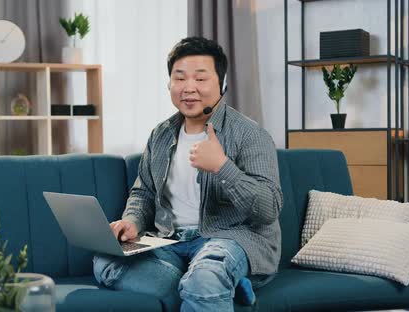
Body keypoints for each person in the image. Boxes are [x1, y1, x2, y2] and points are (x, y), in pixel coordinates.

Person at [93, 36, 282, 312]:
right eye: (179, 78)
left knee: (206, 274)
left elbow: (269, 209)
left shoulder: (250, 134)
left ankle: (212, 280)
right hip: (169, 241)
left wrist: (222, 167)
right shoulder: (160, 134)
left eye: (201, 79)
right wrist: (132, 222)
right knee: (106, 260)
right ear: (169, 84)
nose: (189, 88)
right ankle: (221, 286)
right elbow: (142, 193)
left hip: (229, 239)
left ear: (222, 83)